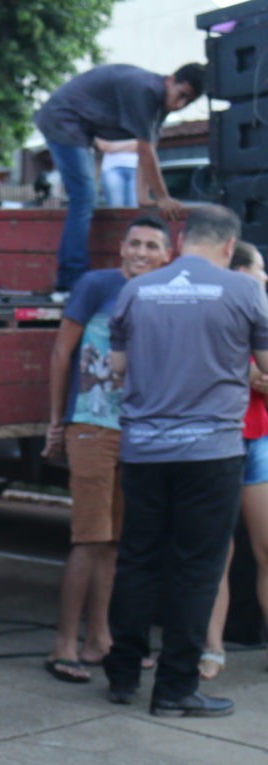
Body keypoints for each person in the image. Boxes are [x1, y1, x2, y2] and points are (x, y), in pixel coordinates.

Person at [104, 205, 268, 717]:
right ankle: (175, 690)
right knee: (198, 568)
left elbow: (117, 367)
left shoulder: (137, 290)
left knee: (137, 559)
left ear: (181, 241)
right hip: (210, 452)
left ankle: (122, 675)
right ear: (229, 246)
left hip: (144, 448)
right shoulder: (245, 290)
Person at [40, 216, 172, 684]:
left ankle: (101, 640)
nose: (141, 252)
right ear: (121, 248)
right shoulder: (97, 285)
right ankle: (64, 646)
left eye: (152, 246)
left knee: (114, 542)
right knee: (88, 538)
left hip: (137, 430)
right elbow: (62, 352)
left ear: (167, 256)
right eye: (135, 243)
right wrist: (58, 420)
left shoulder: (162, 295)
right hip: (92, 424)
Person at [34, 63, 204, 294]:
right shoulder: (146, 90)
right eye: (181, 95)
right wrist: (162, 197)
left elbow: (148, 149)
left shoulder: (160, 104)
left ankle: (72, 278)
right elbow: (145, 150)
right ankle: (71, 281)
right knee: (83, 197)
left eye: (188, 102)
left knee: (86, 197)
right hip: (62, 118)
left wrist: (143, 197)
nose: (180, 105)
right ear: (170, 80)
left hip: (82, 126)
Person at [201, 241, 268, 680]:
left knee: (267, 550)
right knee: (216, 554)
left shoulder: (263, 313)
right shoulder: (215, 310)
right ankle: (213, 649)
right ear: (241, 272)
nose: (266, 277)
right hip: (219, 440)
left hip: (258, 439)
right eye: (261, 268)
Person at [97, 139, 139, 208]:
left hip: (137, 168)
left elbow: (143, 145)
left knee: (135, 209)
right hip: (111, 168)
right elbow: (103, 146)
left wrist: (113, 147)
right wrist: (131, 145)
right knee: (116, 208)